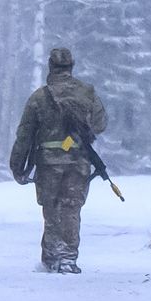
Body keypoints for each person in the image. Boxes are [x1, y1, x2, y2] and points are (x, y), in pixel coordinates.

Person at [10, 47, 108, 274]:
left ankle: (54, 256)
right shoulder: (87, 93)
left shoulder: (39, 97)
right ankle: (69, 258)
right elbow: (101, 124)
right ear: (71, 67)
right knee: (72, 208)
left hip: (48, 164)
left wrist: (17, 165)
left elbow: (24, 134)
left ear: (51, 67)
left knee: (52, 209)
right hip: (78, 161)